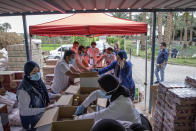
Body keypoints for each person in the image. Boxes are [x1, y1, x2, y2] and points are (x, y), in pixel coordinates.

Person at [74, 74, 141, 124]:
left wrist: (79, 118)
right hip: (125, 120)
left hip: (132, 127)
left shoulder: (119, 104)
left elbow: (99, 116)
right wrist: (83, 105)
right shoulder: (117, 91)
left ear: (108, 89)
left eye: (101, 88)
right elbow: (96, 93)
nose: (99, 88)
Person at [17, 61, 50, 131]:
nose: (37, 74)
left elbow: (43, 94)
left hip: (39, 115)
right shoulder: (23, 90)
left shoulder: (38, 82)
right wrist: (44, 109)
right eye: (34, 72)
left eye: (38, 71)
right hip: (30, 121)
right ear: (28, 73)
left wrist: (57, 95)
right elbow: (25, 111)